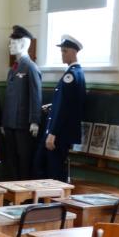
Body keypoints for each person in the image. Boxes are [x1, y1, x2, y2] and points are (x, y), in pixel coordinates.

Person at [33, 35, 86, 182]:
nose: (62, 54)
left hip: (59, 133)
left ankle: (53, 203)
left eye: (65, 51)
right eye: (62, 51)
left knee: (53, 171)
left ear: (74, 52)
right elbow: (69, 103)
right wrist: (52, 106)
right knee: (42, 165)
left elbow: (65, 108)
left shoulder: (71, 75)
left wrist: (53, 133)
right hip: (59, 130)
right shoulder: (77, 73)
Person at [2, 25, 42, 180]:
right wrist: (4, 122)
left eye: (14, 42)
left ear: (24, 44)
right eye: (10, 42)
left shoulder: (30, 67)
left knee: (24, 160)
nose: (10, 46)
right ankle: (13, 195)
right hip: (11, 123)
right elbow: (9, 97)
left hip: (24, 124)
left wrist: (35, 121)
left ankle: (24, 197)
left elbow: (35, 96)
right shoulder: (13, 69)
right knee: (11, 160)